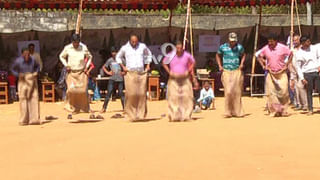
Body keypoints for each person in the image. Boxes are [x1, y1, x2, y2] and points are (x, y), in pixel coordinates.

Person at [116, 34, 152, 121]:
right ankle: (130, 114)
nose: (134, 43)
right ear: (130, 41)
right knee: (131, 94)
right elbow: (118, 57)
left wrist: (148, 65)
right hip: (130, 73)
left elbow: (149, 55)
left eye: (136, 41)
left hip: (141, 73)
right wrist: (123, 67)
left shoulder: (142, 46)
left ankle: (141, 114)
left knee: (141, 94)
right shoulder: (125, 48)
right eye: (133, 42)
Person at [162, 41, 198, 121]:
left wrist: (189, 70)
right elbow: (164, 63)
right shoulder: (171, 54)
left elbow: (193, 62)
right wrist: (169, 72)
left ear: (182, 48)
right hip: (173, 78)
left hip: (185, 78)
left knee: (187, 97)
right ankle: (174, 116)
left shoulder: (187, 55)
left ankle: (186, 116)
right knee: (173, 98)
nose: (179, 50)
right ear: (175, 48)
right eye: (177, 48)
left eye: (180, 48)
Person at [259, 33, 292, 117]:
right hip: (271, 73)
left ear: (276, 41)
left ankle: (283, 110)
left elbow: (291, 54)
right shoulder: (266, 48)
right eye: (269, 41)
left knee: (283, 92)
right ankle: (274, 111)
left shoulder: (283, 47)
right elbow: (259, 56)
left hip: (281, 73)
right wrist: (263, 65)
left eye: (272, 41)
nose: (270, 43)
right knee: (271, 93)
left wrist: (287, 64)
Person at [59, 34, 93, 114]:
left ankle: (85, 108)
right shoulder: (67, 48)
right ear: (72, 42)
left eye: (77, 42)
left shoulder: (83, 47)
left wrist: (86, 66)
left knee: (83, 91)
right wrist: (66, 65)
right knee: (71, 90)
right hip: (71, 72)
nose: (76, 44)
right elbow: (61, 56)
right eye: (74, 43)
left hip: (81, 72)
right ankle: (72, 108)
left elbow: (90, 57)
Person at [216, 32, 246, 118]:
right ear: (228, 40)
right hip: (226, 71)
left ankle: (237, 111)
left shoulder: (239, 47)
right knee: (228, 91)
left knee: (236, 92)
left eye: (234, 41)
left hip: (236, 70)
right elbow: (218, 55)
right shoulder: (223, 47)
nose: (233, 42)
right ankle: (228, 111)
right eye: (231, 41)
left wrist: (241, 64)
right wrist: (219, 65)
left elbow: (244, 54)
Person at [11, 48, 41, 125]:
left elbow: (38, 67)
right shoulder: (18, 61)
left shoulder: (33, 59)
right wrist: (18, 75)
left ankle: (34, 120)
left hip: (31, 78)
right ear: (22, 54)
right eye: (25, 54)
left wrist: (36, 73)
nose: (27, 55)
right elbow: (12, 69)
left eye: (28, 54)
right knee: (23, 99)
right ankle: (24, 120)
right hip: (22, 80)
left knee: (34, 98)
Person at [295, 36, 320, 115]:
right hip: (307, 73)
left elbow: (319, 57)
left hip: (316, 72)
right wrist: (302, 78)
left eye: (309, 41)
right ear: (302, 43)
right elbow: (298, 67)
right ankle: (310, 109)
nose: (309, 43)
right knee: (309, 92)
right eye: (307, 42)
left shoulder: (314, 48)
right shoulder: (299, 53)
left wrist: (319, 65)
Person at [101, 47, 125, 113]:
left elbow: (126, 67)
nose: (114, 53)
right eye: (112, 52)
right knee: (108, 93)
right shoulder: (110, 60)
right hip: (112, 79)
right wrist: (108, 72)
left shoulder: (121, 60)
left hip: (120, 79)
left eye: (115, 52)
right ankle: (104, 108)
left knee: (121, 93)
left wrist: (124, 72)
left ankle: (125, 108)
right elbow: (104, 67)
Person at [289, 34, 308, 110]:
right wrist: (291, 70)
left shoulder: (303, 49)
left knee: (301, 88)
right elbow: (289, 60)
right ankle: (298, 104)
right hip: (293, 71)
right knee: (295, 88)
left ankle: (305, 104)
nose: (295, 41)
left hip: (302, 71)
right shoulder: (292, 49)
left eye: (296, 40)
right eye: (294, 40)